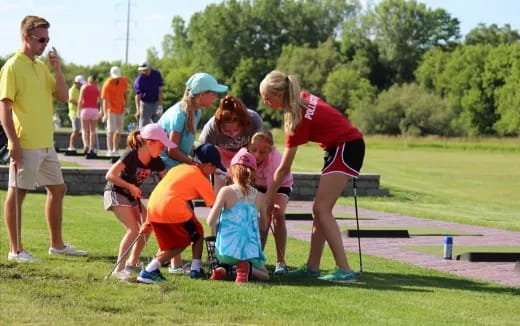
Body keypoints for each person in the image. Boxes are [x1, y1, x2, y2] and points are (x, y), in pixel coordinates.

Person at [259, 71, 365, 282]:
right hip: (341, 148)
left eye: (267, 97)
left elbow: (284, 168)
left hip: (346, 147)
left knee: (321, 209)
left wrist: (269, 197)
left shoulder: (297, 120)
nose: (265, 101)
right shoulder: (302, 99)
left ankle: (344, 270)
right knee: (320, 210)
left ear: (280, 94)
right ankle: (312, 267)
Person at [0, 15, 87, 262]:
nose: (45, 45)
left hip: (46, 143)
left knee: (58, 189)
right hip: (25, 142)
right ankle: (16, 250)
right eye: (41, 40)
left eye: (48, 40)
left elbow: (62, 95)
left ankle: (57, 245)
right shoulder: (12, 67)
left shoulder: (40, 66)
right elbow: (3, 108)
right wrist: (13, 143)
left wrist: (57, 69)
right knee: (18, 194)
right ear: (26, 37)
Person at [157, 72, 228, 273]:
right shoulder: (180, 114)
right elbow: (171, 149)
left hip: (179, 166)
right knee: (180, 215)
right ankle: (173, 263)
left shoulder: (195, 112)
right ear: (201, 94)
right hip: (168, 168)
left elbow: (186, 146)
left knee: (182, 214)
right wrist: (194, 165)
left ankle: (175, 264)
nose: (215, 98)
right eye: (212, 93)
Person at [136, 144, 225, 284]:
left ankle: (196, 269)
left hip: (154, 206)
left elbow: (162, 191)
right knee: (181, 243)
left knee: (197, 231)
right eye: (214, 167)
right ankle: (149, 270)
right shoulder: (202, 179)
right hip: (172, 208)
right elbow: (214, 206)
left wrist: (148, 221)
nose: (215, 170)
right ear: (208, 165)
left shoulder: (179, 168)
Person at [104, 123, 175, 280]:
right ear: (150, 143)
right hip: (115, 192)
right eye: (161, 145)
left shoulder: (156, 160)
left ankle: (132, 262)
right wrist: (130, 186)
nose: (164, 149)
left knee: (147, 227)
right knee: (133, 230)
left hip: (131, 196)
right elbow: (110, 175)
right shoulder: (131, 155)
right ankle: (118, 270)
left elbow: (168, 180)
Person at [207, 150, 269, 283]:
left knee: (226, 257)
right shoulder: (260, 196)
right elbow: (264, 226)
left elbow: (210, 221)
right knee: (265, 275)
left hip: (225, 251)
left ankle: (222, 267)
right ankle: (248, 269)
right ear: (253, 173)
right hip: (250, 253)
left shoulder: (226, 191)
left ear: (231, 171)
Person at [247, 131, 293, 275]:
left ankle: (281, 262)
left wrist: (268, 205)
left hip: (280, 184)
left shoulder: (275, 160)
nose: (257, 155)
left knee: (277, 213)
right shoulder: (246, 156)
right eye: (254, 150)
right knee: (262, 217)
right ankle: (257, 259)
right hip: (260, 185)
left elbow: (271, 191)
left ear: (271, 149)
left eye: (262, 152)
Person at [199, 95, 263, 192]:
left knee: (244, 189)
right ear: (219, 126)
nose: (232, 134)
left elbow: (260, 146)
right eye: (227, 130)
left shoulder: (254, 120)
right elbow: (203, 154)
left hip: (245, 154)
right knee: (220, 187)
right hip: (221, 156)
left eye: (236, 129)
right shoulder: (211, 128)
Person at [102, 66, 128, 156]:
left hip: (120, 109)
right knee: (110, 131)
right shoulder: (107, 84)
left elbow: (125, 94)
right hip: (111, 109)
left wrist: (126, 106)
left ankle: (115, 149)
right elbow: (104, 99)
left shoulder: (123, 80)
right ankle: (109, 150)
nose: (116, 78)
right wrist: (105, 114)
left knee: (118, 131)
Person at [134, 61, 164, 128]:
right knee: (143, 124)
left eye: (146, 70)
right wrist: (138, 110)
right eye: (143, 70)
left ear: (150, 68)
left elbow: (160, 89)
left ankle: (158, 137)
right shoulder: (139, 80)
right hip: (145, 103)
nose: (144, 72)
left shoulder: (156, 74)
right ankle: (142, 138)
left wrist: (160, 103)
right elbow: (137, 96)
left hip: (156, 102)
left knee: (159, 123)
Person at [78, 75, 100, 157]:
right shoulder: (97, 88)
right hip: (94, 110)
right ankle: (91, 147)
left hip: (85, 110)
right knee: (92, 131)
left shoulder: (84, 87)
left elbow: (80, 100)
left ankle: (86, 145)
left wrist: (78, 110)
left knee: (84, 130)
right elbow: (100, 100)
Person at [67, 75, 85, 151]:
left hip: (80, 112)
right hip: (74, 112)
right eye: (80, 83)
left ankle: (74, 146)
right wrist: (80, 104)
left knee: (78, 130)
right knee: (75, 130)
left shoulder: (80, 89)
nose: (81, 85)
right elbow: (71, 100)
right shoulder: (72, 90)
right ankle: (71, 146)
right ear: (75, 82)